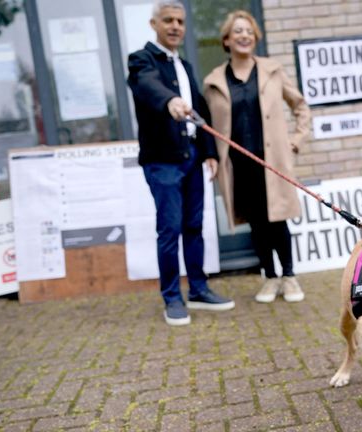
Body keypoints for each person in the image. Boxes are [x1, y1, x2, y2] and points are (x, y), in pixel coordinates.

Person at [127, 0, 234, 326]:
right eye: (168, 20)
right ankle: (172, 297)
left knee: (193, 228)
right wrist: (169, 100)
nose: (175, 26)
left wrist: (211, 153)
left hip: (191, 158)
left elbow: (198, 111)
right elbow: (146, 85)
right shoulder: (141, 60)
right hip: (163, 162)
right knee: (170, 230)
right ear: (154, 24)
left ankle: (199, 290)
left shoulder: (185, 66)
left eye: (180, 21)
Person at [203, 10, 311, 303]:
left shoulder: (272, 71)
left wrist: (296, 140)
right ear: (226, 39)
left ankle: (289, 276)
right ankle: (269, 277)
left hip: (273, 162)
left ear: (255, 38)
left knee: (278, 219)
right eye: (237, 31)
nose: (244, 36)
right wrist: (211, 156)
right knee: (257, 222)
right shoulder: (214, 82)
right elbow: (208, 126)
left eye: (248, 31)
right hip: (239, 165)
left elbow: (300, 105)